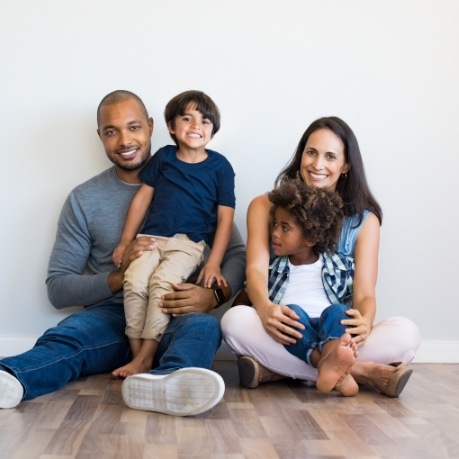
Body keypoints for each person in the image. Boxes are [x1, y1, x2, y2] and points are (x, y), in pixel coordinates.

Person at [0, 90, 246, 416]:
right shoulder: (84, 199)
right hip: (111, 317)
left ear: (152, 126)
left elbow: (236, 253)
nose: (124, 140)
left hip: (175, 310)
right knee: (69, 336)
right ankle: (12, 377)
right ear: (100, 136)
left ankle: (167, 382)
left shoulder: (197, 178)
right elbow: (58, 289)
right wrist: (122, 276)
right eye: (111, 131)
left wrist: (211, 296)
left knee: (203, 328)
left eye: (133, 127)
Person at [222, 116, 420, 397]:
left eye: (330, 156)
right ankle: (363, 372)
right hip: (285, 326)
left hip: (337, 331)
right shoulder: (265, 206)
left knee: (406, 333)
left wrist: (365, 322)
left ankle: (278, 370)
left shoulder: (365, 221)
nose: (317, 165)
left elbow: (365, 294)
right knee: (235, 321)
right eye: (311, 152)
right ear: (301, 154)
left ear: (346, 165)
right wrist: (265, 310)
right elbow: (255, 270)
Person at [111, 90, 235, 378]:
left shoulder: (220, 167)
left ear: (213, 131)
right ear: (170, 127)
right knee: (135, 280)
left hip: (187, 244)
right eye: (187, 119)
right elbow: (142, 199)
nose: (196, 126)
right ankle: (137, 355)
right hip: (151, 238)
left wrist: (214, 262)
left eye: (205, 121)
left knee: (161, 283)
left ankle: (146, 357)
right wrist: (126, 241)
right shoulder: (164, 157)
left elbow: (225, 219)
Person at [266, 179, 359, 396]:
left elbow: (355, 301)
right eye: (275, 225)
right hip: (297, 330)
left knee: (337, 311)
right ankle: (332, 369)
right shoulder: (272, 269)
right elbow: (251, 299)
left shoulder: (339, 265)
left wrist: (360, 324)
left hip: (329, 329)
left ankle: (331, 356)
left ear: (311, 237)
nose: (275, 233)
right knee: (293, 313)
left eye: (285, 228)